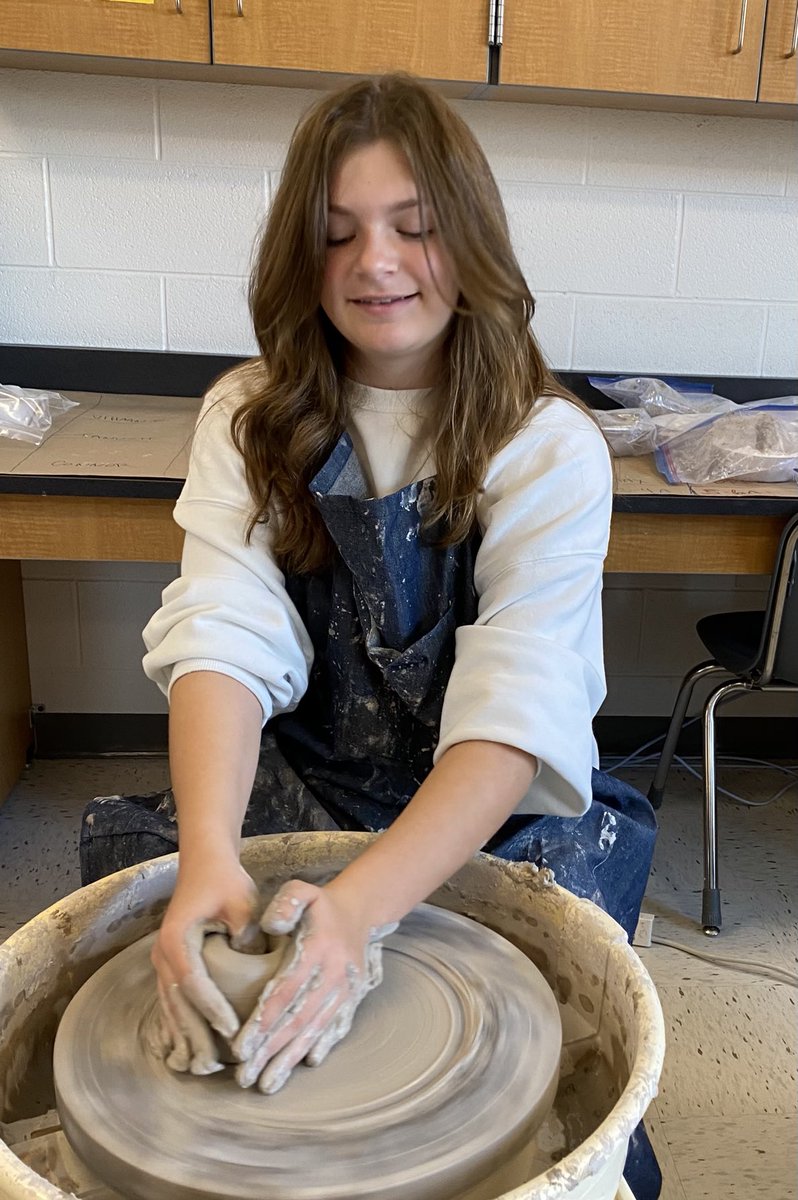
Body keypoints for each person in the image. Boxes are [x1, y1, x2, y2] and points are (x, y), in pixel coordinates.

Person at [80, 73, 660, 1196]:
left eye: (415, 228)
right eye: (336, 234)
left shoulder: (546, 448)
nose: (375, 265)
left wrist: (358, 910)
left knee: (565, 1107)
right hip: (301, 790)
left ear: (472, 242)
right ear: (299, 257)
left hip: (496, 818)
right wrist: (207, 854)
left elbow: (515, 710)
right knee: (150, 927)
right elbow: (224, 634)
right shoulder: (250, 415)